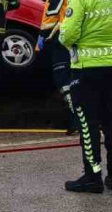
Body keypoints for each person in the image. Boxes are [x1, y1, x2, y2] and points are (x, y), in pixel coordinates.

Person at [59, 0, 112, 193]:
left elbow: (68, 34)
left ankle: (92, 175)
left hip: (86, 69)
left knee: (88, 123)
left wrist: (64, 38)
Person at [37, 0, 78, 134]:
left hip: (62, 38)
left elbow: (52, 13)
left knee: (64, 81)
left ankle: (76, 120)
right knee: (79, 79)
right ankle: (90, 119)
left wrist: (42, 35)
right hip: (80, 36)